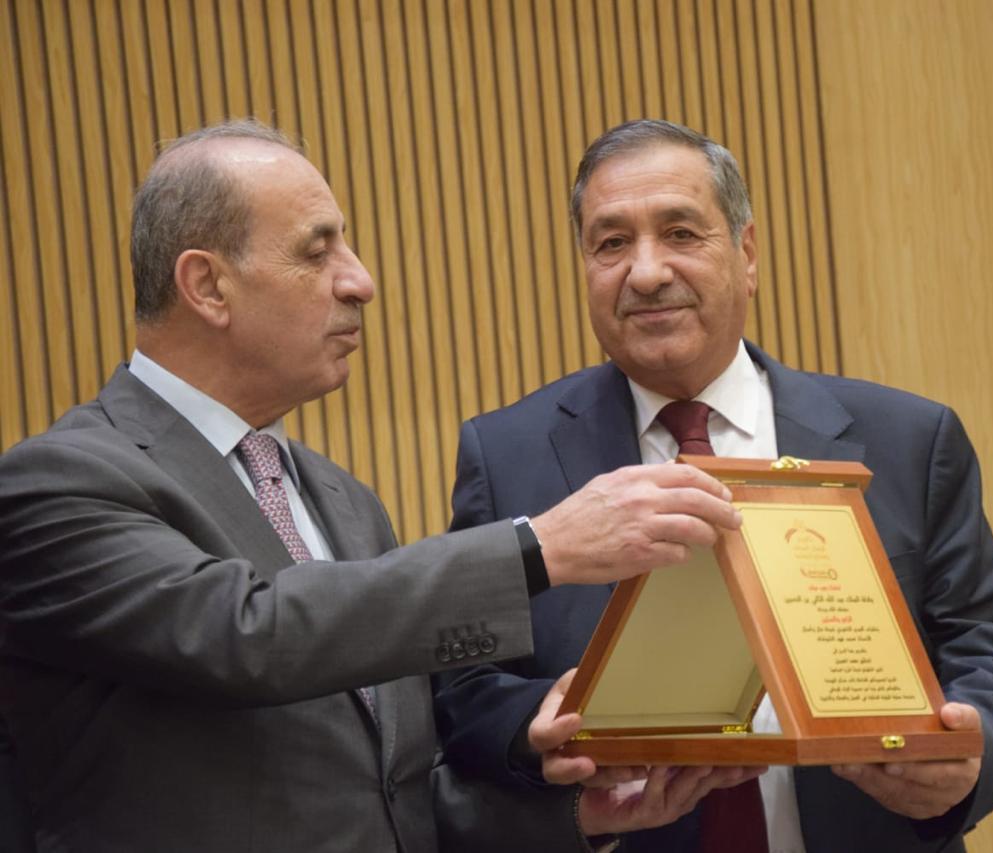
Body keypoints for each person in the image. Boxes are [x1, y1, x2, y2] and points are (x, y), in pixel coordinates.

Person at [0, 119, 742, 853]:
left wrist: (578, 817)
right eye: (316, 251)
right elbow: (246, 634)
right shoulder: (59, 485)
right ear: (207, 286)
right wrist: (537, 547)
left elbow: (391, 797)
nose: (361, 281)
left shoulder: (344, 501)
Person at [434, 119, 993, 852]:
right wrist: (538, 722)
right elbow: (463, 687)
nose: (647, 272)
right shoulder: (506, 455)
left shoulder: (908, 440)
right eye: (612, 243)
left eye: (681, 233)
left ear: (746, 253)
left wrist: (969, 755)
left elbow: (991, 648)